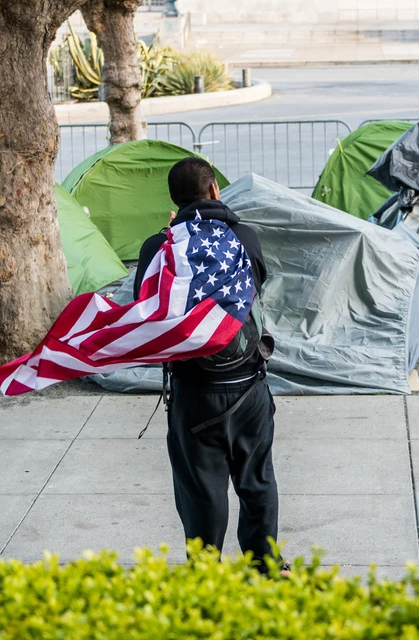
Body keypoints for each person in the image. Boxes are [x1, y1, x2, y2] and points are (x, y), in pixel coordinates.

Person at [133, 157, 281, 572]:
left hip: (192, 393)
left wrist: (173, 239)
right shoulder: (244, 238)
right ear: (215, 190)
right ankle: (265, 565)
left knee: (201, 491)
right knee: (257, 481)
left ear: (173, 201)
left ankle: (205, 574)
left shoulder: (158, 248)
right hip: (248, 387)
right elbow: (256, 283)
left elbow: (146, 308)